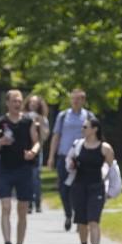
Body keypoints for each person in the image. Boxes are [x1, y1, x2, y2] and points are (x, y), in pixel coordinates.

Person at [0, 89, 42, 244]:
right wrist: (0, 142)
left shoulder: (28, 122)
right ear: (7, 103)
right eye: (14, 101)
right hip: (5, 170)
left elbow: (37, 143)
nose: (17, 104)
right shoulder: (0, 122)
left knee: (22, 210)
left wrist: (33, 152)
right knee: (5, 207)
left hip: (24, 170)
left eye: (19, 101)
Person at [66, 114, 116, 244]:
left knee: (93, 220)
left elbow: (113, 169)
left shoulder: (105, 148)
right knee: (81, 222)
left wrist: (112, 188)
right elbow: (68, 162)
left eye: (85, 127)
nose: (83, 129)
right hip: (79, 186)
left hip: (96, 187)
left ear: (94, 129)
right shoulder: (78, 145)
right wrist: (72, 165)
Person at [50, 88, 92, 231]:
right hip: (64, 156)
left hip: (82, 157)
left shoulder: (88, 116)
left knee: (80, 189)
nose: (75, 101)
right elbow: (56, 136)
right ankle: (68, 214)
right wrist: (51, 157)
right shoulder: (63, 116)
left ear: (83, 100)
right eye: (73, 98)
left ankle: (79, 218)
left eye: (78, 98)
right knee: (63, 188)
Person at [25, 94, 51, 214]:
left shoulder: (43, 119)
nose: (33, 105)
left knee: (36, 177)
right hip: (25, 150)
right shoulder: (24, 117)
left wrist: (40, 123)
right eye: (31, 103)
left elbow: (45, 137)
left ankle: (37, 202)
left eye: (36, 103)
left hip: (38, 150)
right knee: (27, 178)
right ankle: (29, 203)